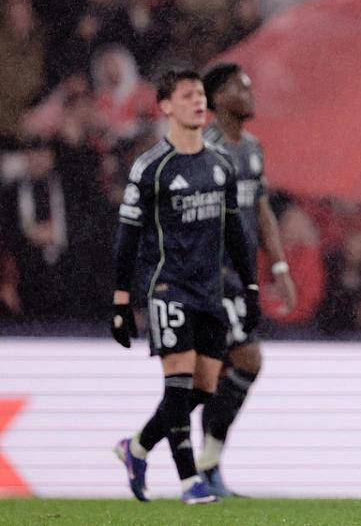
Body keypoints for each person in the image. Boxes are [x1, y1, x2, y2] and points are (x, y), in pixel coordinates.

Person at [110, 69, 260, 504]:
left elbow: (236, 234)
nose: (198, 102)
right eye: (187, 95)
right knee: (177, 383)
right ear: (166, 106)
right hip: (168, 288)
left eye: (200, 95)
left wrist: (251, 288)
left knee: (202, 388)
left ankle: (137, 447)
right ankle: (190, 481)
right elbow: (127, 237)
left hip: (211, 291)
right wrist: (121, 300)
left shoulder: (220, 165)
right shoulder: (151, 167)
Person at [196, 62, 297, 496]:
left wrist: (279, 267)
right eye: (241, 86)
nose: (250, 92)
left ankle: (203, 470)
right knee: (246, 361)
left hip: (239, 275)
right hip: (208, 275)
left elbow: (261, 211)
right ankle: (197, 462)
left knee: (214, 375)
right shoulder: (203, 148)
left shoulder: (252, 149)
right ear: (219, 98)